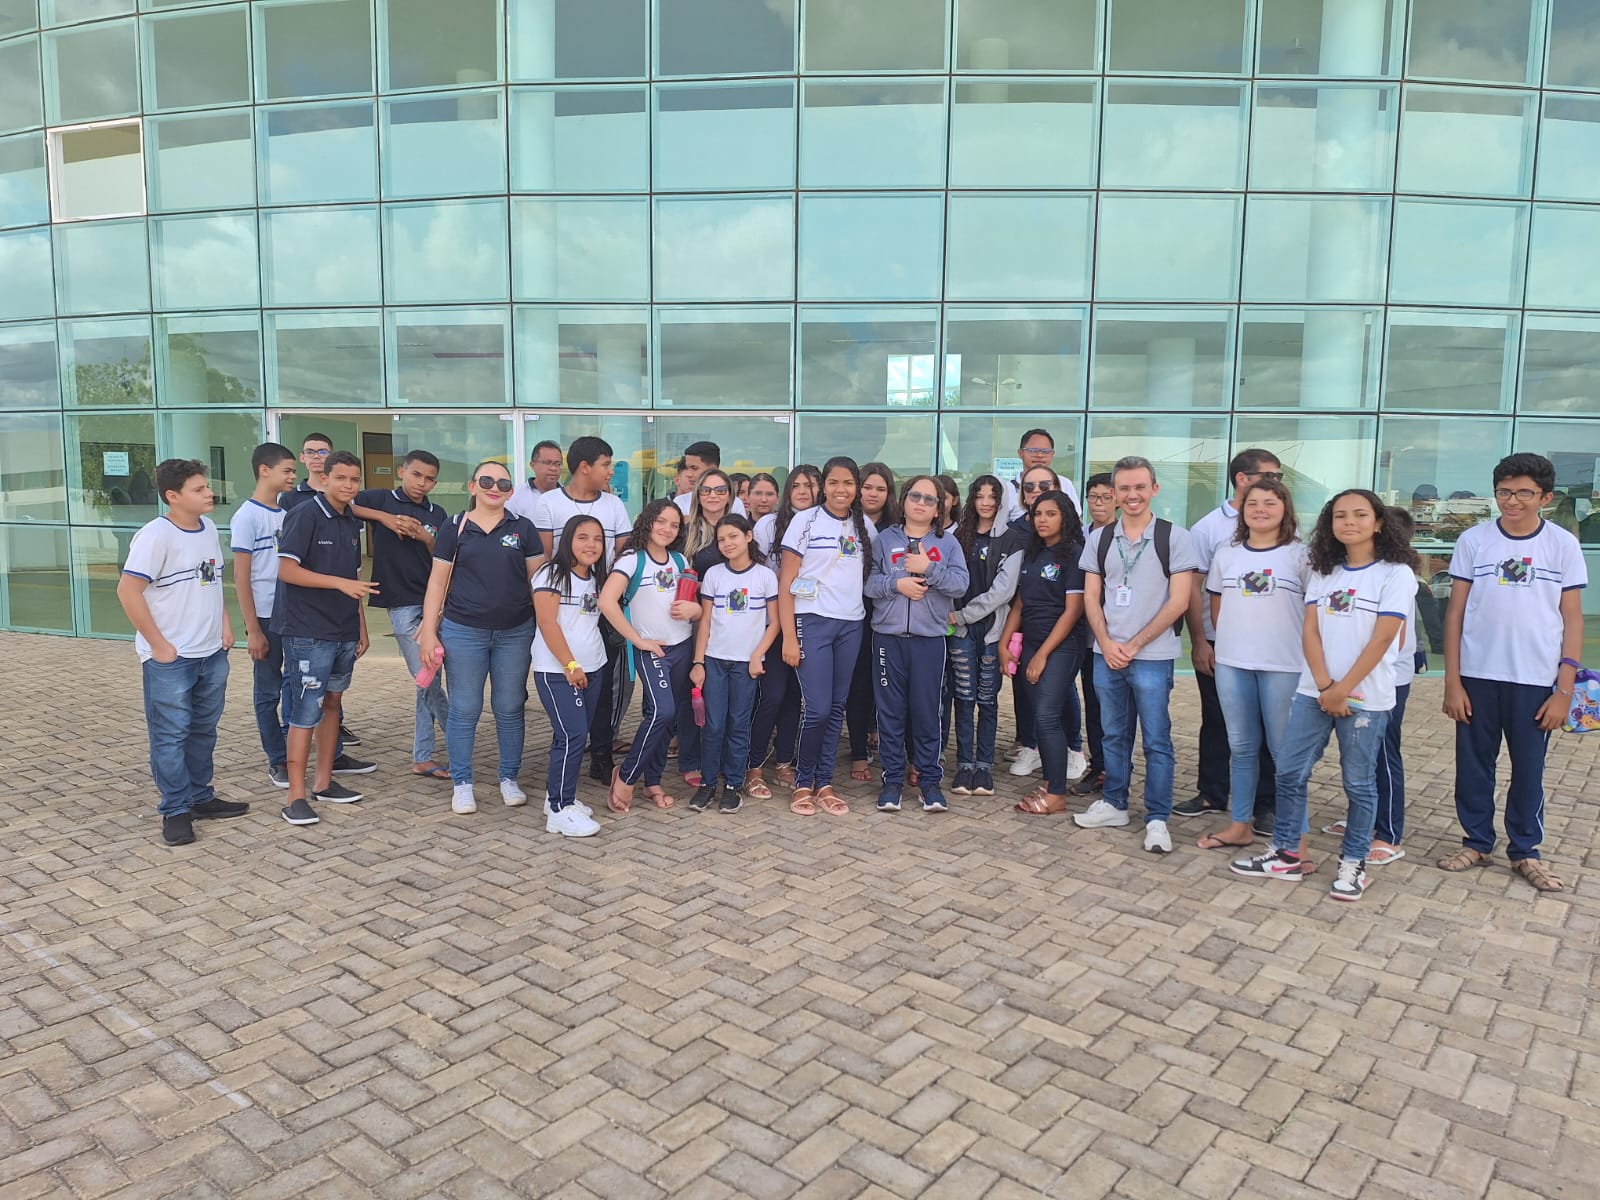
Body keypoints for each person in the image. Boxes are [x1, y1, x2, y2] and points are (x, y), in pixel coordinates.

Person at [1232, 489, 1416, 902]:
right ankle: (1286, 854)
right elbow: (1311, 630)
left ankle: (1353, 863)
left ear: (1378, 523)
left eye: (1360, 514)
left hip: (1365, 698)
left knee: (1359, 783)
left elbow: (1383, 638)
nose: (1349, 522)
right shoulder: (1325, 570)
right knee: (1289, 772)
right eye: (1339, 515)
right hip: (1313, 692)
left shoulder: (1395, 574)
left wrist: (1343, 689)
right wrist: (1325, 685)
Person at [1440, 452, 1587, 892]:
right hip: (1477, 676)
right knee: (1473, 766)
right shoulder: (1474, 540)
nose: (1512, 500)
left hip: (1535, 680)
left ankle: (1525, 851)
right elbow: (1455, 613)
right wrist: (1452, 681)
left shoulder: (1562, 544)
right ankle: (1477, 842)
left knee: (1528, 770)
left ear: (1545, 497)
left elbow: (1572, 618)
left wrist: (1564, 690)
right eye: (1504, 491)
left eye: (1524, 492)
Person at [118, 458, 246, 846]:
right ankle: (175, 810)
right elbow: (128, 591)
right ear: (173, 496)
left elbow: (211, 580)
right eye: (199, 489)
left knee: (203, 730)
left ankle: (200, 797)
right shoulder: (156, 536)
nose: (209, 493)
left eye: (207, 486)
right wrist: (159, 646)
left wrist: (224, 624)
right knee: (171, 735)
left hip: (211, 652)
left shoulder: (208, 529)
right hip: (172, 659)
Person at [1075, 456, 1197, 854]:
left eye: (1140, 487)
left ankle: (1157, 818)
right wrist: (1107, 643)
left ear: (1154, 489)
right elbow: (1091, 597)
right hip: (1107, 653)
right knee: (1113, 734)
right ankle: (1114, 803)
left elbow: (1179, 601)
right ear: (1114, 493)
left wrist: (1135, 644)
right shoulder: (1100, 539)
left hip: (1152, 656)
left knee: (1157, 739)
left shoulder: (1174, 538)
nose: (1132, 495)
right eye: (1124, 488)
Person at [418, 461, 542, 816]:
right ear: (472, 486)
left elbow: (538, 584)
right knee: (464, 708)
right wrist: (429, 631)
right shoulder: (454, 526)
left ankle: (509, 778)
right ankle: (462, 783)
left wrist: (547, 632)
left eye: (503, 483)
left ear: (511, 492)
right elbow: (437, 582)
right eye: (486, 480)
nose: (494, 487)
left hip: (515, 632)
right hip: (463, 632)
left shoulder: (523, 529)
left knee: (509, 706)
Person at [1196, 477, 1308, 856]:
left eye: (1270, 503)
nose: (1260, 510)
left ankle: (1295, 838)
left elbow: (1314, 612)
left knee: (1284, 752)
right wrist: (1231, 645)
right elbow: (1217, 607)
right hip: (1233, 664)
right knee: (1241, 748)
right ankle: (1240, 825)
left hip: (1283, 665)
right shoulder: (1227, 555)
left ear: (1285, 509)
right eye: (1253, 503)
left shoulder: (1301, 556)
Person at [1176, 448, 1283, 827]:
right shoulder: (1208, 529)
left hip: (1271, 647)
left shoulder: (1288, 532)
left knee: (1268, 724)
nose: (1276, 484)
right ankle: (1212, 792)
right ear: (1242, 479)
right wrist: (1199, 641)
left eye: (1278, 479)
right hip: (1219, 642)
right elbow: (1192, 589)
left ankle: (1265, 804)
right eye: (1269, 476)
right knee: (1217, 721)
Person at [273, 451, 374, 826]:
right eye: (341, 478)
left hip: (343, 629)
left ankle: (324, 783)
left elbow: (353, 578)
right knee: (305, 710)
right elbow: (286, 570)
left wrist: (361, 626)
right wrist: (338, 584)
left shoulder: (350, 519)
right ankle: (295, 797)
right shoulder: (305, 514)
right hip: (308, 632)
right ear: (325, 478)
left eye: (354, 479)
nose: (348, 485)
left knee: (332, 703)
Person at [531, 437, 633, 783]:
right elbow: (544, 557)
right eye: (606, 464)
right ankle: (567, 753)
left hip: (601, 602)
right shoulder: (549, 503)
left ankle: (601, 756)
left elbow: (624, 554)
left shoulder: (613, 505)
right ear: (585, 467)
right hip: (561, 604)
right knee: (567, 678)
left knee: (602, 687)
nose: (610, 471)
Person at [865, 476, 969, 812]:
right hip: (888, 639)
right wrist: (898, 584)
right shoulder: (884, 540)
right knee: (890, 713)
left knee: (927, 712)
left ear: (939, 508)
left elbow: (961, 585)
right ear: (904, 501)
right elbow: (867, 583)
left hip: (929, 641)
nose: (921, 503)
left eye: (929, 499)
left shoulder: (948, 544)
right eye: (915, 496)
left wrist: (929, 569)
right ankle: (892, 781)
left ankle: (929, 782)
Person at [779, 456, 874, 817]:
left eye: (848, 483)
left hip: (851, 624)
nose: (840, 490)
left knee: (836, 708)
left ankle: (824, 783)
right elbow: (786, 583)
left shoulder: (864, 525)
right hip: (812, 620)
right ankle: (803, 782)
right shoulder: (805, 521)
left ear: (857, 487)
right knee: (817, 708)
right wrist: (789, 637)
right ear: (823, 486)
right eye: (833, 482)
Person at [352, 450, 452, 781]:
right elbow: (346, 504)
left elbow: (443, 555)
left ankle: (422, 757)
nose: (422, 483)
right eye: (416, 475)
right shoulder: (381, 499)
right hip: (403, 604)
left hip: (434, 603)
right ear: (401, 472)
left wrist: (426, 537)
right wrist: (383, 519)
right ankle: (458, 737)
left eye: (430, 479)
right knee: (426, 677)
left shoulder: (437, 513)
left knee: (428, 679)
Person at [599, 499, 700, 812]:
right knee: (662, 711)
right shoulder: (632, 560)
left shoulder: (680, 560)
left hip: (682, 645)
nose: (667, 529)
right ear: (648, 521)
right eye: (661, 521)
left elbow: (694, 604)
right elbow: (606, 602)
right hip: (651, 649)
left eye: (674, 525)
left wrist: (695, 610)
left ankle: (653, 782)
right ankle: (626, 776)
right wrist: (637, 640)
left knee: (667, 715)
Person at [1002, 490, 1089, 817]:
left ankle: (1056, 794)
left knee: (1046, 715)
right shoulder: (1034, 553)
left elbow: (1072, 611)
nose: (1042, 520)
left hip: (1062, 645)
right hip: (1032, 642)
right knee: (1043, 715)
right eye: (1038, 514)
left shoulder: (1074, 555)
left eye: (1051, 514)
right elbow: (1020, 605)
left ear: (1065, 517)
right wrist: (1004, 644)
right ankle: (1052, 781)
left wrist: (1042, 655)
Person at [689, 515, 780, 813]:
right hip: (715, 660)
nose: (727, 543)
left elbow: (774, 623)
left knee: (738, 724)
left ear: (748, 537)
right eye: (722, 539)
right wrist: (698, 662)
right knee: (713, 724)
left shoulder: (765, 576)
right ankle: (707, 783)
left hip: (746, 665)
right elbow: (704, 622)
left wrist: (757, 655)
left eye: (733, 537)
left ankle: (732, 785)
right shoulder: (714, 575)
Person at [745, 466, 820, 799]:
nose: (803, 491)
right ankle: (754, 765)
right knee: (772, 695)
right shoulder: (768, 525)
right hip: (774, 621)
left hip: (812, 620)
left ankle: (784, 760)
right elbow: (757, 572)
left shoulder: (825, 524)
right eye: (797, 485)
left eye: (810, 485)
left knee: (794, 698)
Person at [530, 514, 606, 838]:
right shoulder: (551, 573)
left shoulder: (596, 578)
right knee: (572, 735)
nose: (591, 545)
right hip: (559, 670)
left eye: (598, 539)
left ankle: (558, 797)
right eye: (583, 537)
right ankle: (561, 809)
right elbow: (547, 622)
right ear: (568, 540)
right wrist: (570, 664)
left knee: (572, 734)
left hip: (594, 666)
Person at [948, 475, 1024, 798]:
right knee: (964, 698)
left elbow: (1003, 592)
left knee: (987, 699)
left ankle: (984, 767)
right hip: (961, 631)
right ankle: (965, 765)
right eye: (980, 496)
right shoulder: (957, 536)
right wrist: (958, 618)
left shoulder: (1012, 540)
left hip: (992, 630)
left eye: (993, 497)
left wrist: (965, 614)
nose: (986, 502)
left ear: (1002, 501)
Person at [230, 442, 297, 789]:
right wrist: (253, 629)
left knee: (296, 686)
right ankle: (277, 758)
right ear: (264, 470)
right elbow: (241, 577)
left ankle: (297, 750)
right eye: (287, 470)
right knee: (268, 691)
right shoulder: (247, 516)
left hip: (293, 615)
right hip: (266, 617)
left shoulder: (287, 513)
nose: (293, 476)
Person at [677, 467, 736, 786]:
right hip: (694, 622)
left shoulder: (738, 529)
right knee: (694, 692)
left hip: (732, 622)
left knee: (724, 697)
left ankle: (722, 758)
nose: (713, 496)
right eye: (706, 490)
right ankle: (691, 760)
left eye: (720, 490)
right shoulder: (685, 532)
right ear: (697, 495)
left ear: (730, 496)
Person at [847, 462, 899, 784]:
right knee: (858, 683)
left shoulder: (897, 528)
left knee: (882, 680)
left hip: (885, 612)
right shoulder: (845, 521)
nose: (873, 494)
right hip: (850, 610)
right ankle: (857, 749)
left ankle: (877, 731)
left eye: (881, 488)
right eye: (867, 487)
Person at [1072, 472, 1118, 797]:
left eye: (1106, 497)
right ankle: (1098, 765)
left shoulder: (1124, 537)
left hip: (1113, 635)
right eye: (1093, 497)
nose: (1099, 503)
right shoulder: (1079, 537)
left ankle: (1115, 770)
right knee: (1092, 702)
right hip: (1082, 635)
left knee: (1111, 706)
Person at [1000, 429, 1080, 523]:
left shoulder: (1064, 483)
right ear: (1020, 453)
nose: (1039, 455)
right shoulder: (1006, 489)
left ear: (1052, 454)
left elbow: (1076, 520)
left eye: (1045, 451)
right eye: (1033, 451)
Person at [672, 441, 748, 517]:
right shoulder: (680, 502)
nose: (689, 474)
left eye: (694, 468)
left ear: (712, 469)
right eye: (687, 468)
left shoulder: (735, 504)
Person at [507, 438, 565, 522]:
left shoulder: (568, 497)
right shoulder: (515, 496)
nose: (553, 468)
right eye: (547, 462)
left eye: (558, 464)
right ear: (532, 465)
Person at [279, 431, 333, 511]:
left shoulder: (342, 492)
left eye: (322, 452)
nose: (316, 456)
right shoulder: (289, 497)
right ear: (302, 457)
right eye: (310, 452)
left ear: (332, 457)